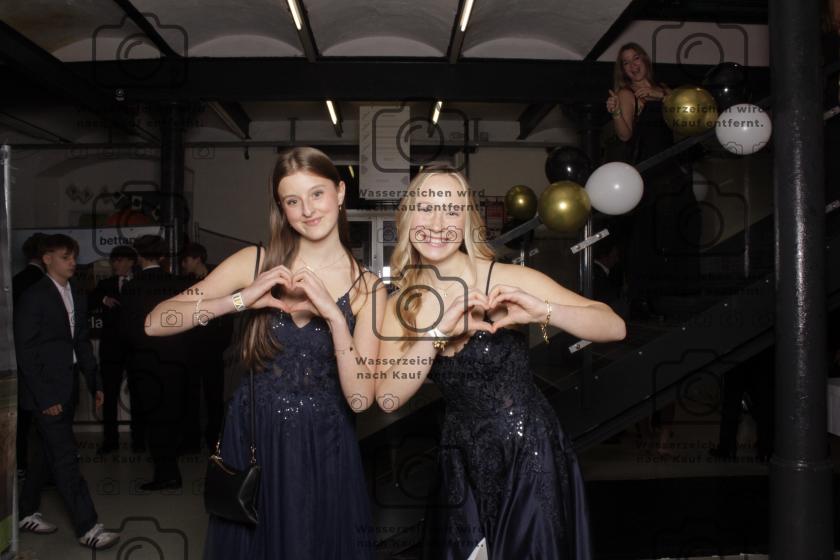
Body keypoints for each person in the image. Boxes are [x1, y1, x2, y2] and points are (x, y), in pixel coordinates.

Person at [373, 167, 626, 559]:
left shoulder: (506, 277)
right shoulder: (401, 305)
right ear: (407, 217)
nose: (437, 224)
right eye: (426, 208)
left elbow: (614, 327)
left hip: (528, 452)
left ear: (467, 221)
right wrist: (436, 334)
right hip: (460, 460)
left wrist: (542, 311)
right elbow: (388, 397)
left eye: (451, 210)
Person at [145, 147, 385, 558]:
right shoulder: (256, 262)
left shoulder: (368, 289)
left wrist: (334, 317)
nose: (307, 210)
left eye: (317, 194)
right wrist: (239, 300)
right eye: (292, 201)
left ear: (341, 192)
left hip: (325, 446)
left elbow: (361, 399)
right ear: (282, 209)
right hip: (255, 437)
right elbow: (156, 322)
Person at [13, 234, 119, 549]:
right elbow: (25, 352)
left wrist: (95, 382)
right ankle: (89, 527)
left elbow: (80, 342)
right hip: (45, 392)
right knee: (65, 457)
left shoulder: (76, 292)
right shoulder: (34, 296)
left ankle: (26, 511)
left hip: (68, 386)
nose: (73, 262)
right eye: (65, 257)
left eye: (73, 256)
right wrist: (45, 398)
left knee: (44, 455)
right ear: (47, 259)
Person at [606, 42, 702, 320]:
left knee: (685, 224)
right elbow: (625, 135)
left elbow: (685, 113)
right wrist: (616, 111)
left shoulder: (665, 90)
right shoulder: (627, 93)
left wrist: (659, 95)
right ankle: (647, 299)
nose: (632, 65)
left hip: (672, 169)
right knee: (650, 234)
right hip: (648, 172)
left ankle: (682, 294)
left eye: (636, 58)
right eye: (626, 63)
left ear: (645, 60)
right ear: (623, 70)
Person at [119, 235, 190, 488]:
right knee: (173, 415)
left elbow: (128, 332)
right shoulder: (178, 284)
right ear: (162, 256)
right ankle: (171, 469)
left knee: (154, 420)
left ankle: (166, 474)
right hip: (176, 362)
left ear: (139, 256)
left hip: (145, 363)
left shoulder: (131, 287)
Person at [179, 243, 232, 453]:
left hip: (212, 350)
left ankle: (214, 441)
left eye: (186, 260)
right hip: (190, 350)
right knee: (190, 396)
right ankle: (191, 441)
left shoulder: (218, 280)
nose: (183, 265)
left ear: (196, 259)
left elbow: (227, 315)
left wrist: (221, 344)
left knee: (214, 397)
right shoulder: (184, 283)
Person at [89, 245, 137, 455]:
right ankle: (110, 440)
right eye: (114, 261)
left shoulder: (140, 282)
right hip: (111, 348)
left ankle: (139, 440)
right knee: (109, 393)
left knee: (139, 393)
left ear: (131, 262)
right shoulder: (105, 284)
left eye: (120, 260)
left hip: (136, 348)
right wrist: (103, 299)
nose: (116, 264)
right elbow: (89, 300)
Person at [12, 232, 47, 479]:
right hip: (44, 357)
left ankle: (20, 463)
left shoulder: (15, 281)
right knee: (48, 414)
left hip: (18, 354)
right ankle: (46, 467)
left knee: (22, 415)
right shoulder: (47, 284)